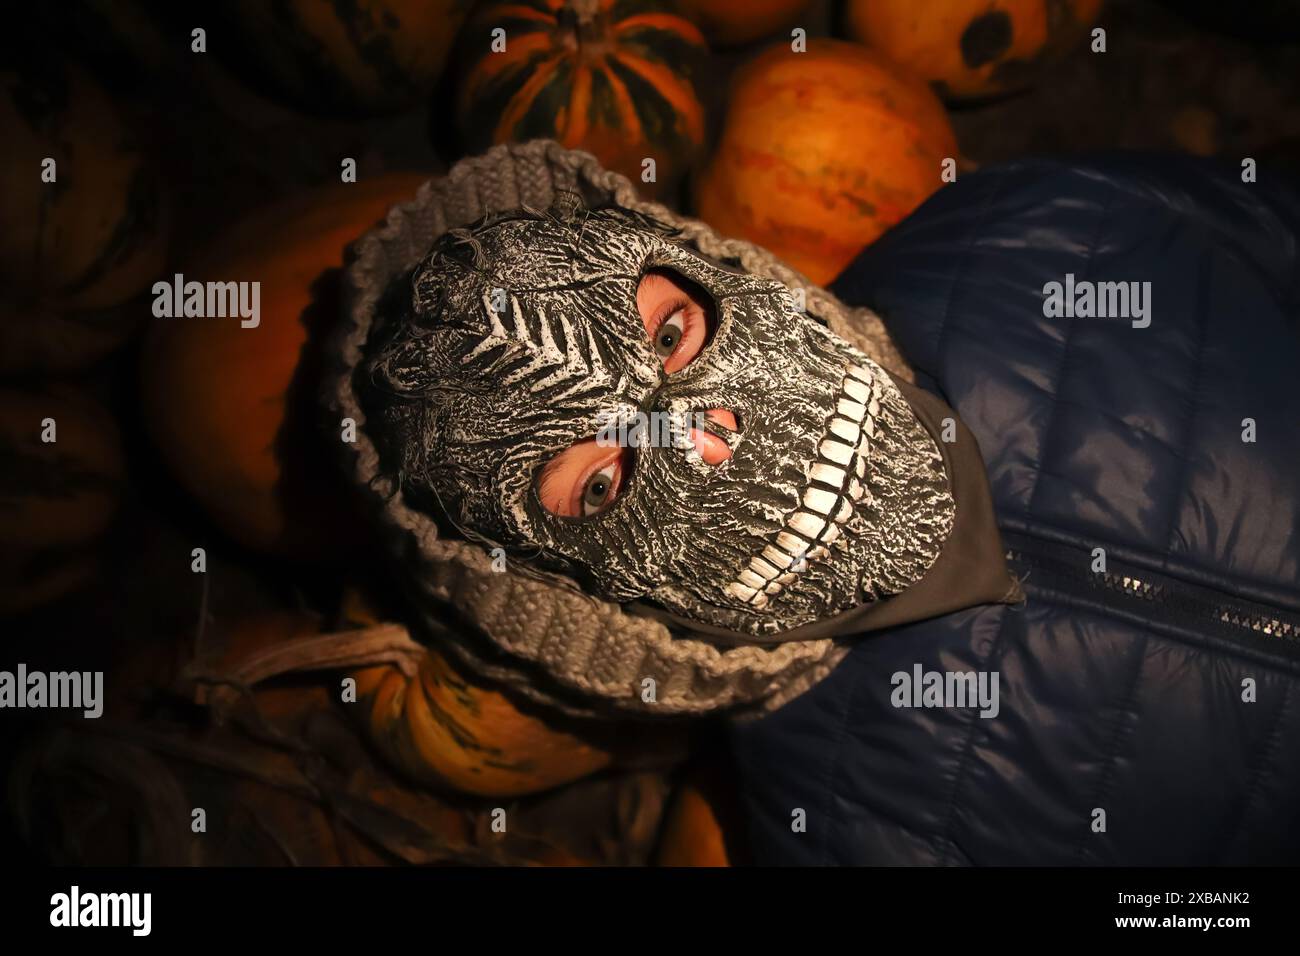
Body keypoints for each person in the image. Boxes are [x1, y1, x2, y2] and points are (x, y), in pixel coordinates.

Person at [331, 142, 1300, 864]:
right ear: (581, 605)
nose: (705, 439)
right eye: (602, 480)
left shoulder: (1026, 233)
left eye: (668, 333)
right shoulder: (849, 835)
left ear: (704, 265)